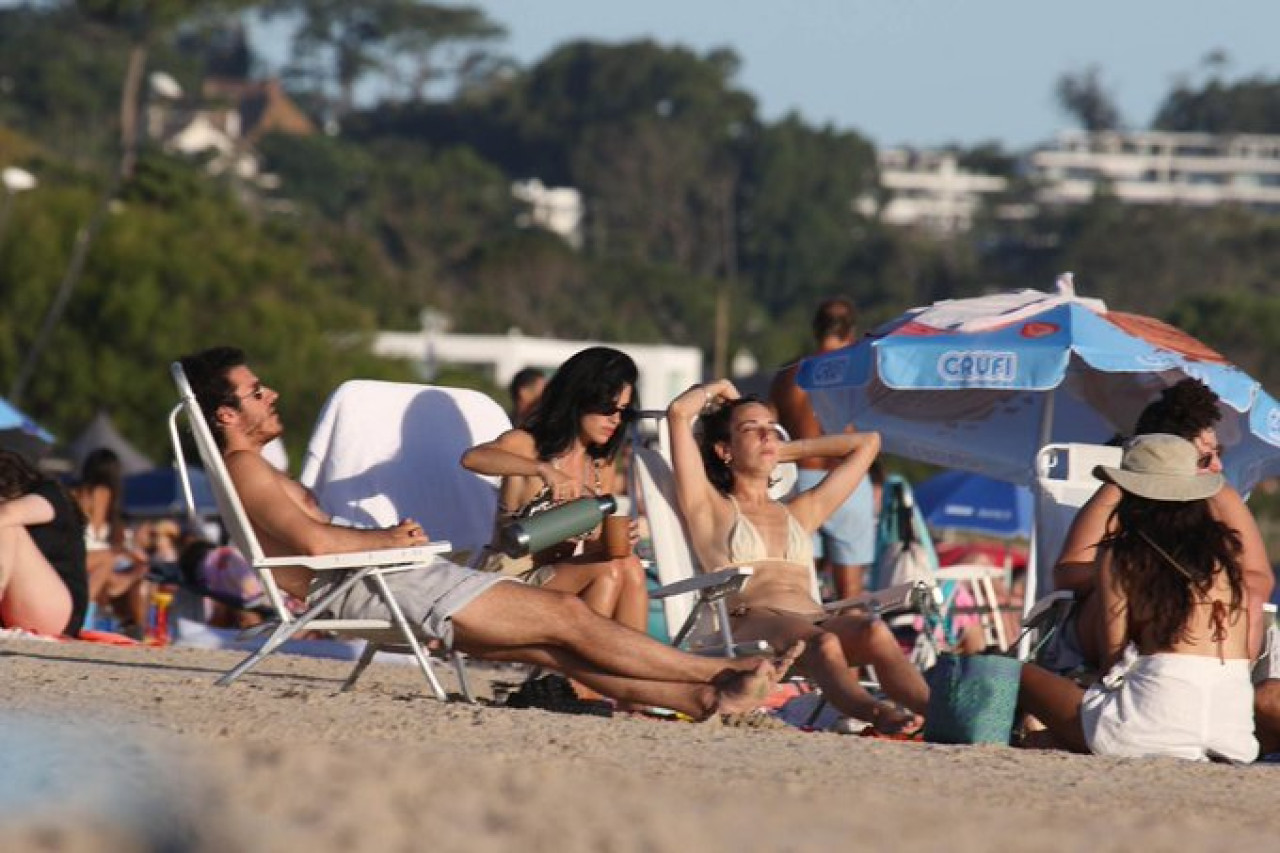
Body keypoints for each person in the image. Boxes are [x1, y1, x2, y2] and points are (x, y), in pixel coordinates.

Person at [177, 346, 799, 719]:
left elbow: (312, 539)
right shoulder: (246, 469)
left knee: (552, 646)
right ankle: (712, 673)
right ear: (227, 414)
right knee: (566, 619)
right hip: (371, 582)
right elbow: (313, 546)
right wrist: (392, 542)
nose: (273, 394)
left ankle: (701, 700)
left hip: (381, 579)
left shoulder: (252, 470)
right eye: (256, 392)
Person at [668, 379, 930, 733]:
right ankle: (877, 713)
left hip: (814, 619)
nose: (766, 437)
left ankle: (941, 713)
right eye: (751, 430)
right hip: (752, 622)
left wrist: (783, 450)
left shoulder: (798, 512)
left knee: (873, 630)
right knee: (823, 642)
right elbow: (678, 413)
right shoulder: (711, 508)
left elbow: (868, 444)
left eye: (771, 430)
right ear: (724, 450)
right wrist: (721, 387)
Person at [1050, 379, 1278, 750]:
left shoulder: (1220, 495)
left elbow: (1258, 579)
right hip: (1130, 628)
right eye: (1205, 457)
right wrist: (1140, 576)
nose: (1218, 464)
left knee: (1247, 599)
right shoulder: (1120, 493)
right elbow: (1070, 571)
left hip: (1200, 641)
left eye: (1217, 452)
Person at [1019, 434, 1257, 762]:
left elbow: (1112, 660)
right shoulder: (1227, 555)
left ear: (1130, 495)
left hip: (1149, 729)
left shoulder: (1122, 555)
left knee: (1017, 675)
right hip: (1234, 732)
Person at [463, 347, 648, 637]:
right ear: (579, 398)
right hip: (504, 582)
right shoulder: (528, 445)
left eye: (623, 412)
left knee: (628, 565)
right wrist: (541, 469)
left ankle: (629, 672)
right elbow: (473, 459)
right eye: (607, 408)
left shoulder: (601, 465)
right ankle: (595, 676)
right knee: (609, 573)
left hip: (558, 581)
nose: (615, 420)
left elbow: (591, 551)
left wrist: (612, 540)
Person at [771, 297, 875, 599]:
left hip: (799, 479)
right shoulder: (859, 373)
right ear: (852, 331)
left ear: (816, 329)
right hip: (846, 481)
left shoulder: (788, 374)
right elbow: (871, 430)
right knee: (850, 592)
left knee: (799, 587)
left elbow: (771, 427)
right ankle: (852, 642)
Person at [0, 449, 89, 636]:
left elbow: (6, 514)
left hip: (56, 612)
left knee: (7, 528)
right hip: (26, 607)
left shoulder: (49, 494)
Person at [71, 448, 150, 634]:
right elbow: (99, 540)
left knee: (136, 567)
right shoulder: (98, 495)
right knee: (135, 568)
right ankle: (135, 626)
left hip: (97, 557)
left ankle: (133, 625)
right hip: (86, 556)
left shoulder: (79, 494)